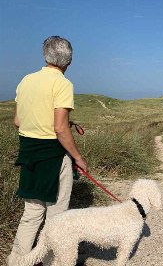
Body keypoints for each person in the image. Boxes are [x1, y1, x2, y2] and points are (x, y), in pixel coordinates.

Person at [9, 36, 87, 264]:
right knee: (56, 217)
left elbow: (17, 121)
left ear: (45, 56)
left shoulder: (25, 81)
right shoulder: (63, 84)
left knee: (31, 214)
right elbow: (60, 129)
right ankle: (53, 262)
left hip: (29, 155)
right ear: (69, 61)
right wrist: (79, 158)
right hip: (53, 156)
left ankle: (17, 261)